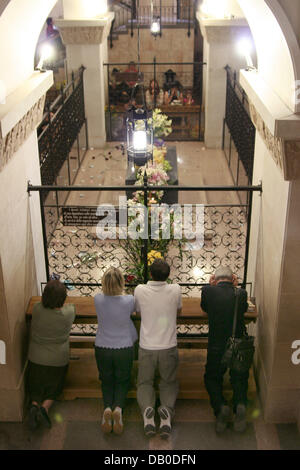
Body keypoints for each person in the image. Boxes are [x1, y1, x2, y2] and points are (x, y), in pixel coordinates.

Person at [134, 259, 182, 439]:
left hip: (147, 345)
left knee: (145, 382)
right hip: (168, 345)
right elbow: (179, 311)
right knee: (168, 381)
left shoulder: (139, 290)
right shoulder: (175, 289)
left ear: (150, 274)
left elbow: (138, 312)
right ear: (168, 275)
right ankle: (166, 413)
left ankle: (148, 411)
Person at [201, 266, 249, 433]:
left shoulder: (208, 291)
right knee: (239, 377)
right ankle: (240, 405)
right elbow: (242, 310)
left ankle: (220, 407)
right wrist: (235, 287)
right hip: (238, 344)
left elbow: (205, 308)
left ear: (214, 278)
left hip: (217, 345)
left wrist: (211, 285)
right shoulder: (241, 293)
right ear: (233, 278)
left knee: (212, 377)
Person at [27, 280, 76, 431]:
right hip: (57, 360)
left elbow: (39, 306)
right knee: (55, 385)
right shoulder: (68, 313)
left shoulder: (36, 309)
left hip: (35, 358)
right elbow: (72, 307)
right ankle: (45, 407)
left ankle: (34, 404)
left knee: (36, 384)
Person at [94, 267, 138, 435]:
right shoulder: (129, 300)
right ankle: (118, 409)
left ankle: (106, 408)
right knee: (122, 379)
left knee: (106, 380)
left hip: (102, 346)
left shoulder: (97, 299)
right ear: (122, 282)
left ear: (103, 282)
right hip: (124, 347)